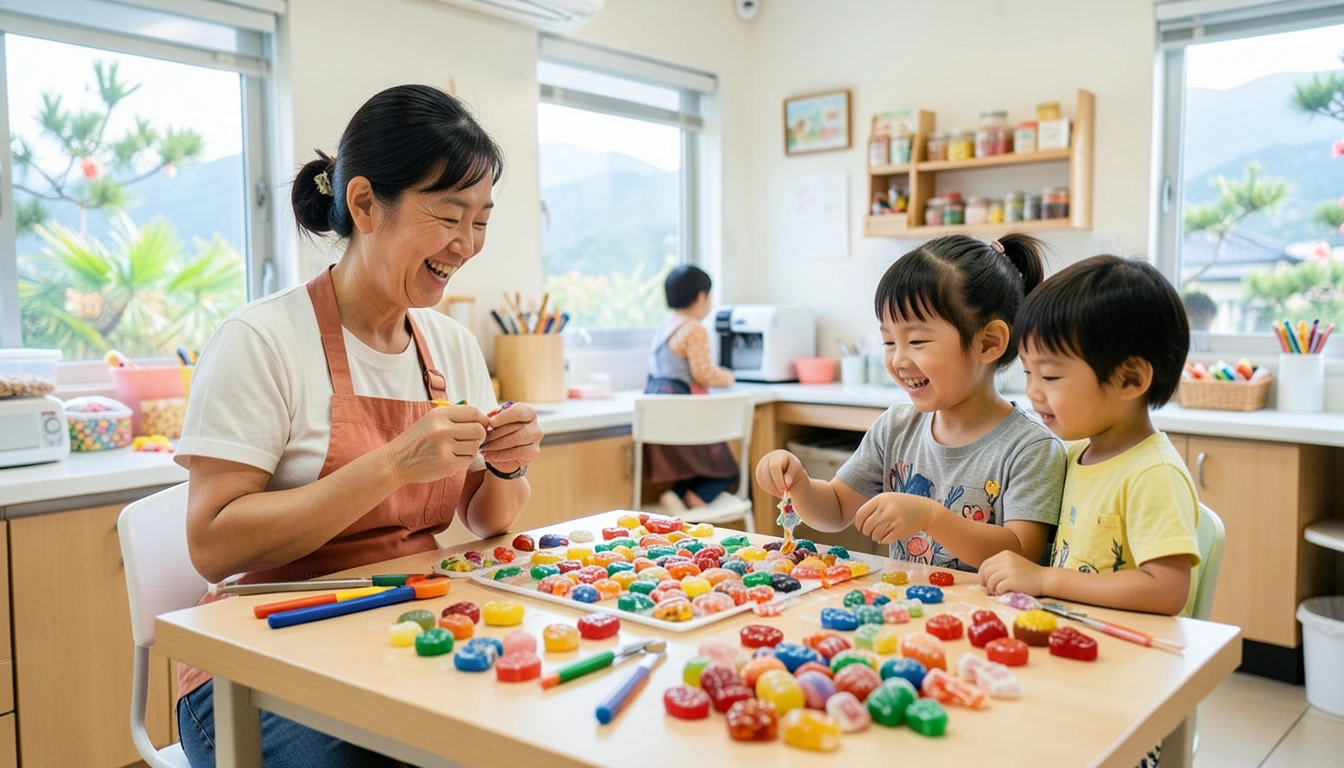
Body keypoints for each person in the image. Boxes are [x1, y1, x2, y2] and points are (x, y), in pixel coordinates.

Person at [173, 85, 543, 767]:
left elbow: (490, 520)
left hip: (402, 629)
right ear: (365, 203)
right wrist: (394, 465)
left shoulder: (449, 345)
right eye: (450, 215)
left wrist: (506, 465)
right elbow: (212, 544)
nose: (466, 245)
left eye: (482, 220)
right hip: (259, 657)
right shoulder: (261, 340)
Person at [756, 235, 1066, 570]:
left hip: (987, 618)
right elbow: (834, 510)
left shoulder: (1031, 448)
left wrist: (931, 517)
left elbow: (1019, 553)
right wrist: (800, 483)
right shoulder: (895, 428)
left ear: (988, 343)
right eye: (889, 341)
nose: (898, 360)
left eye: (917, 340)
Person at [979, 255, 1201, 616]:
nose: (1033, 392)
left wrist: (1045, 580)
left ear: (1129, 379)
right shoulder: (1073, 454)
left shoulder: (1153, 474)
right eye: (1027, 372)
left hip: (1130, 658)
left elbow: (1167, 591)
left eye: (1049, 376)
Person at [643, 265, 740, 513]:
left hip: (660, 407)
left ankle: (677, 494)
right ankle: (692, 497)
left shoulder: (665, 327)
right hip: (684, 405)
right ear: (701, 296)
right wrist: (728, 376)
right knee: (725, 468)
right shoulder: (694, 328)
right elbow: (703, 373)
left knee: (694, 461)